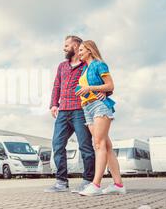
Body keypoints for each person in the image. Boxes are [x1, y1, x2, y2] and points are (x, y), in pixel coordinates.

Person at [45, 35, 106, 193]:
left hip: (81, 110)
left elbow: (102, 80)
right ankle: (61, 181)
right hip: (63, 111)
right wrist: (53, 104)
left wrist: (107, 92)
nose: (64, 48)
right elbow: (56, 85)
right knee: (57, 145)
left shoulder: (87, 65)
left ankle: (88, 180)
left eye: (67, 45)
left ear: (76, 46)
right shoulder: (62, 66)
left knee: (85, 146)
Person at [75, 40, 126, 196]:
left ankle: (96, 185)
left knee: (99, 144)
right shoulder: (84, 70)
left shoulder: (99, 64)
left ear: (90, 50)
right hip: (87, 108)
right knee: (106, 146)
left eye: (82, 50)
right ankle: (118, 185)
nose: (79, 53)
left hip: (99, 105)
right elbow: (84, 88)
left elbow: (110, 86)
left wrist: (91, 88)